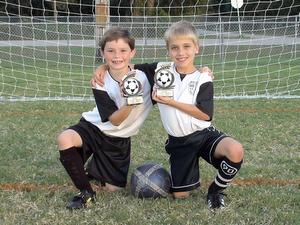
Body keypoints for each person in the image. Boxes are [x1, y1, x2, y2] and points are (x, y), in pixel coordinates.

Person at [92, 21, 244, 210]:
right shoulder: (161, 70)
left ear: (196, 48)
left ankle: (215, 191)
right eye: (175, 48)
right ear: (168, 51)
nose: (181, 53)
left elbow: (205, 115)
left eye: (187, 47)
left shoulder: (202, 77)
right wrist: (103, 68)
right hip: (179, 143)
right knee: (180, 195)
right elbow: (124, 65)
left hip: (203, 134)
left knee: (235, 150)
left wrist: (171, 102)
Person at [57, 27, 153, 210]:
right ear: (102, 53)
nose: (117, 56)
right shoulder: (100, 82)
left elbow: (176, 67)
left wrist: (203, 70)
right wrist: (131, 104)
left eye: (123, 50)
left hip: (118, 139)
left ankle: (95, 167)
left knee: (113, 189)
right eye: (110, 51)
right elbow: (115, 120)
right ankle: (86, 192)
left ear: (132, 52)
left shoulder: (146, 74)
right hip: (94, 127)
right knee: (65, 138)